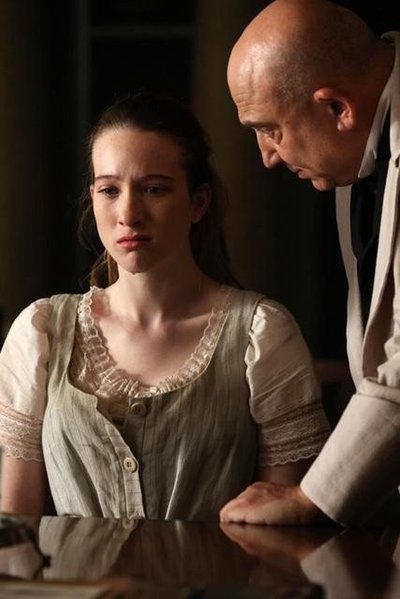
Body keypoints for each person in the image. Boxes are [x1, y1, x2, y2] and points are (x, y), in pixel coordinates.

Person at [0, 90, 330, 520]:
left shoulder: (261, 333)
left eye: (153, 189)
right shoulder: (41, 331)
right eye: (109, 190)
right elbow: (16, 525)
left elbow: (286, 524)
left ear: (198, 203)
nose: (129, 213)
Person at [220, 0, 400, 527]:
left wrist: (311, 498)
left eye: (269, 128)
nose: (267, 156)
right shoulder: (357, 145)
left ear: (337, 108)